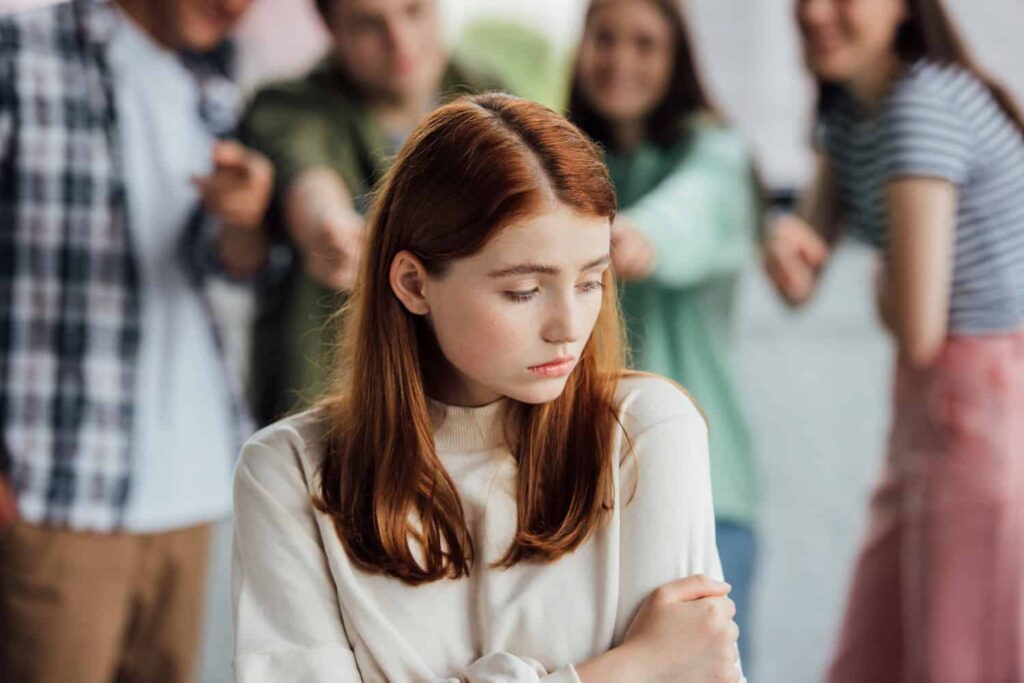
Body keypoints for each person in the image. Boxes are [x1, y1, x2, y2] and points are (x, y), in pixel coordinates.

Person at [232, 93, 744, 683]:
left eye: (591, 280)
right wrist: (628, 668)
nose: (569, 328)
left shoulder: (648, 431)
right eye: (524, 290)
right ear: (413, 284)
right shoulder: (287, 471)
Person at [0, 1, 273, 681]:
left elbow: (223, 265)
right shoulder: (17, 51)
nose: (239, 7)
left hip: (188, 488)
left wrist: (245, 221)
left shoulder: (212, 81)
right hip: (55, 491)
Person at [764, 0, 1024, 680]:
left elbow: (917, 328)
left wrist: (882, 276)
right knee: (873, 652)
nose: (815, 12)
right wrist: (785, 245)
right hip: (933, 405)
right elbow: (802, 279)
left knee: (955, 655)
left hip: (980, 396)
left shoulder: (922, 108)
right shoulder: (850, 112)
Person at [567, 0, 762, 659]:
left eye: (645, 43)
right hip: (584, 489)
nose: (621, 59)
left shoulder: (715, 151)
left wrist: (636, 235)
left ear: (676, 58)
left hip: (706, 487)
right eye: (606, 39)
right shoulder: (564, 156)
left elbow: (694, 207)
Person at [241, 0, 502, 425]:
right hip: (332, 415)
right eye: (368, 25)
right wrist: (329, 230)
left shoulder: (491, 94)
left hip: (466, 415)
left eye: (413, 11)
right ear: (329, 26)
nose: (399, 41)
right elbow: (309, 176)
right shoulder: (291, 105)